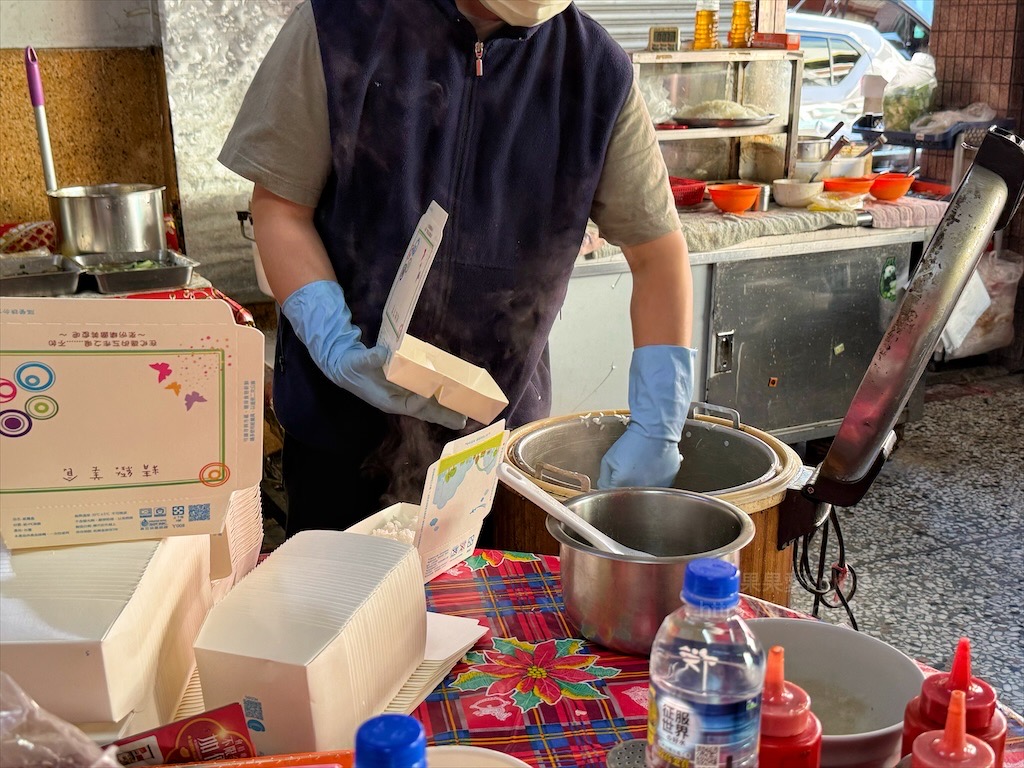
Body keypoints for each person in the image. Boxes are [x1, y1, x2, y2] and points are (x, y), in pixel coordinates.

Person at [220, 0, 697, 538]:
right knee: (342, 613)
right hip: (339, 437)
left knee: (485, 618)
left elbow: (657, 253)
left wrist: (658, 425)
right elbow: (282, 209)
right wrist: (334, 342)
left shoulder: (594, 72)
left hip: (494, 453)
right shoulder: (339, 27)